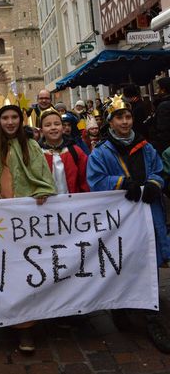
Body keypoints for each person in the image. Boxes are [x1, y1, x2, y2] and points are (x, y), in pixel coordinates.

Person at [0, 104, 56, 352]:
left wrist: (41, 190)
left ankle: (26, 327)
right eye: (5, 118)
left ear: (20, 119)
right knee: (7, 271)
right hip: (0, 220)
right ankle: (10, 319)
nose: (10, 122)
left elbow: (42, 175)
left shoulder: (32, 145)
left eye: (14, 117)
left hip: (26, 219)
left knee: (27, 271)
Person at [87, 94, 170, 353]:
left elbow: (158, 170)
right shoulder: (101, 152)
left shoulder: (146, 147)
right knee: (122, 261)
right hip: (119, 220)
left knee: (148, 259)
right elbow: (96, 180)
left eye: (128, 116)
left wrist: (155, 185)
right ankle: (121, 306)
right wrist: (122, 184)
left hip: (146, 213)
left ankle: (152, 316)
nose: (125, 121)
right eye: (119, 117)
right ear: (110, 122)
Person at [39, 108, 89, 193]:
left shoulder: (76, 152)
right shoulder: (37, 154)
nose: (53, 128)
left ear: (62, 127)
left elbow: (85, 182)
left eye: (57, 124)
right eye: (48, 125)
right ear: (41, 130)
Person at [151, 77, 170, 154]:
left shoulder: (164, 105)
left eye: (158, 88)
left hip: (164, 147)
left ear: (163, 90)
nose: (157, 90)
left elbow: (163, 129)